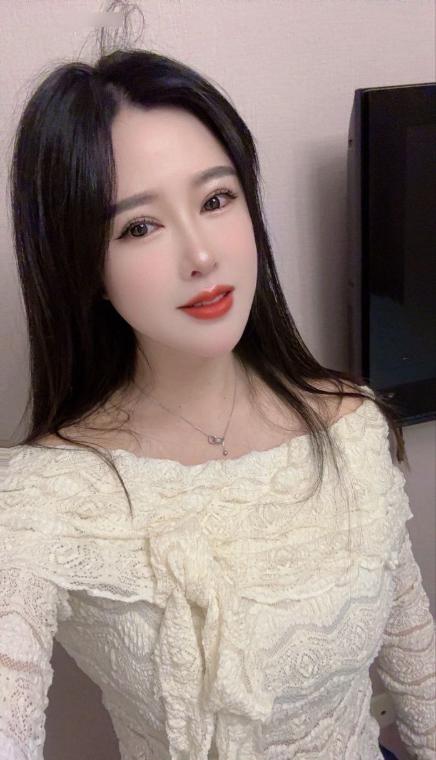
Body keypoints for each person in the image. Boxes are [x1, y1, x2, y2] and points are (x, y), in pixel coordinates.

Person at [1, 44, 435, 760]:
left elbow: (415, 661)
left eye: (215, 199)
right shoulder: (42, 498)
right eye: (139, 226)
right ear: (86, 268)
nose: (202, 255)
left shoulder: (351, 424)